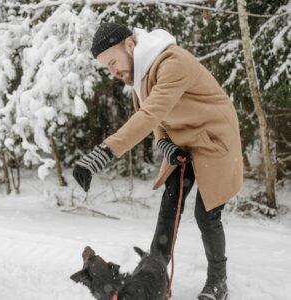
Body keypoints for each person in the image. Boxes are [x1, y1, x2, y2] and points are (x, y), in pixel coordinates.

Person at [73, 23, 243, 300]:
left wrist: (101, 153)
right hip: (182, 141)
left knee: (207, 215)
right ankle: (154, 275)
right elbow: (158, 123)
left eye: (113, 62)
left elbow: (150, 114)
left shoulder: (172, 62)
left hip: (214, 139)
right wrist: (165, 143)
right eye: (107, 68)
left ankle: (218, 281)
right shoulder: (139, 79)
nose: (113, 72)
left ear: (130, 44)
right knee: (170, 205)